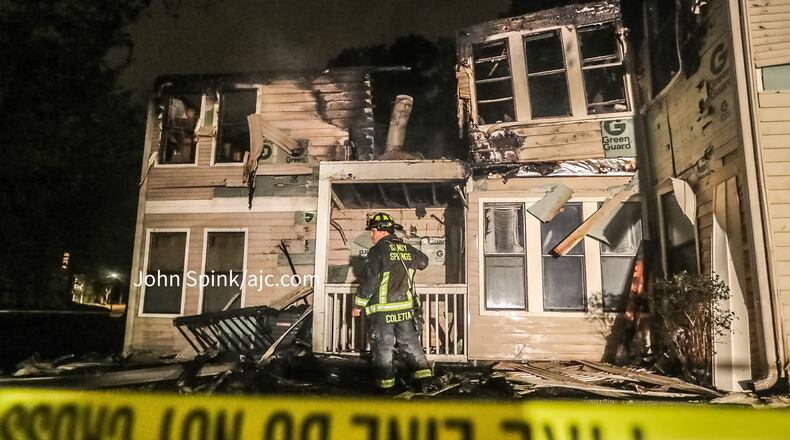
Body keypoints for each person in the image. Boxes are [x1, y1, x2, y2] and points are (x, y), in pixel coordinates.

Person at [352, 212, 433, 392]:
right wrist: (404, 250)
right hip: (404, 308)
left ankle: (385, 386)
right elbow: (424, 262)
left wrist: (358, 305)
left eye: (373, 231)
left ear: (382, 231)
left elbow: (370, 281)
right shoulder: (408, 249)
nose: (371, 235)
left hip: (383, 311)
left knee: (383, 346)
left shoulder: (377, 251)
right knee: (411, 344)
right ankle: (425, 381)